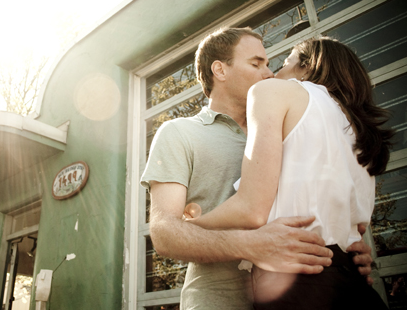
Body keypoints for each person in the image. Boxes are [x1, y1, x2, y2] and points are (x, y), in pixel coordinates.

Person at [141, 28, 374, 310]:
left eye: (269, 63)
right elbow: (165, 234)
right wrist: (249, 244)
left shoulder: (291, 123)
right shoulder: (179, 132)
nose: (269, 73)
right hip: (220, 300)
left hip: (304, 291)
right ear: (220, 70)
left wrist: (347, 248)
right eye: (256, 63)